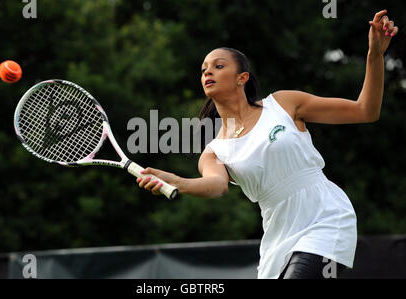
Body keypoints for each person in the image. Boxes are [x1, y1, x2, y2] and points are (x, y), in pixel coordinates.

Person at [135, 10, 399, 279]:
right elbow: (216, 186)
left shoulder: (284, 103)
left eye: (218, 66)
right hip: (278, 237)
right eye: (203, 69)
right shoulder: (214, 151)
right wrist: (177, 181)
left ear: (242, 78)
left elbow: (365, 111)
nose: (207, 72)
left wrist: (374, 54)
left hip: (326, 218)